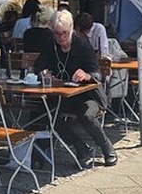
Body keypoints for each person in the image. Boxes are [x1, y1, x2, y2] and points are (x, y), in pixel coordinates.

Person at [33, 11, 118, 167]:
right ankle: (80, 147)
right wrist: (44, 73)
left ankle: (107, 148)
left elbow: (97, 73)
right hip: (63, 96)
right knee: (47, 114)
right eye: (57, 34)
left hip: (88, 95)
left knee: (86, 115)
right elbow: (38, 67)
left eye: (64, 33)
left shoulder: (82, 44)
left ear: (71, 29)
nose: (61, 38)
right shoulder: (50, 44)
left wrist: (86, 74)